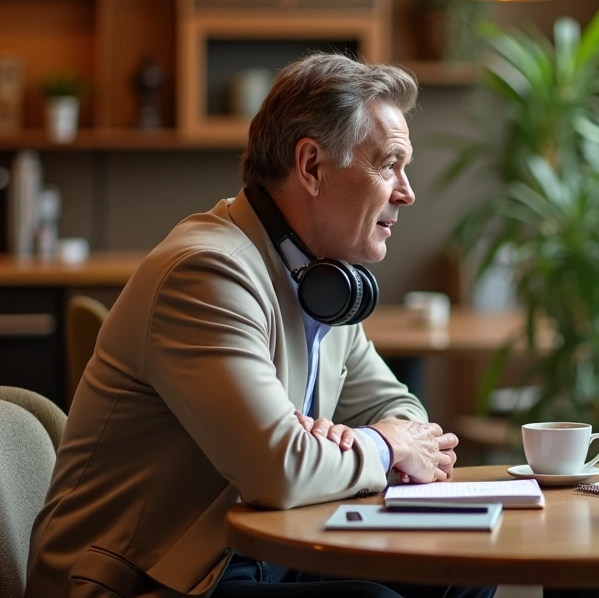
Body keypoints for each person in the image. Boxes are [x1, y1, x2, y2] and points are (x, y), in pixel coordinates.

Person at [25, 54, 493, 598]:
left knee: (458, 574)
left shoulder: (327, 280)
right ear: (312, 166)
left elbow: (404, 415)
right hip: (146, 580)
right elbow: (284, 470)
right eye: (388, 164)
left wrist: (365, 440)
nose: (406, 191)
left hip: (258, 551)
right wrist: (379, 447)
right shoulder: (205, 272)